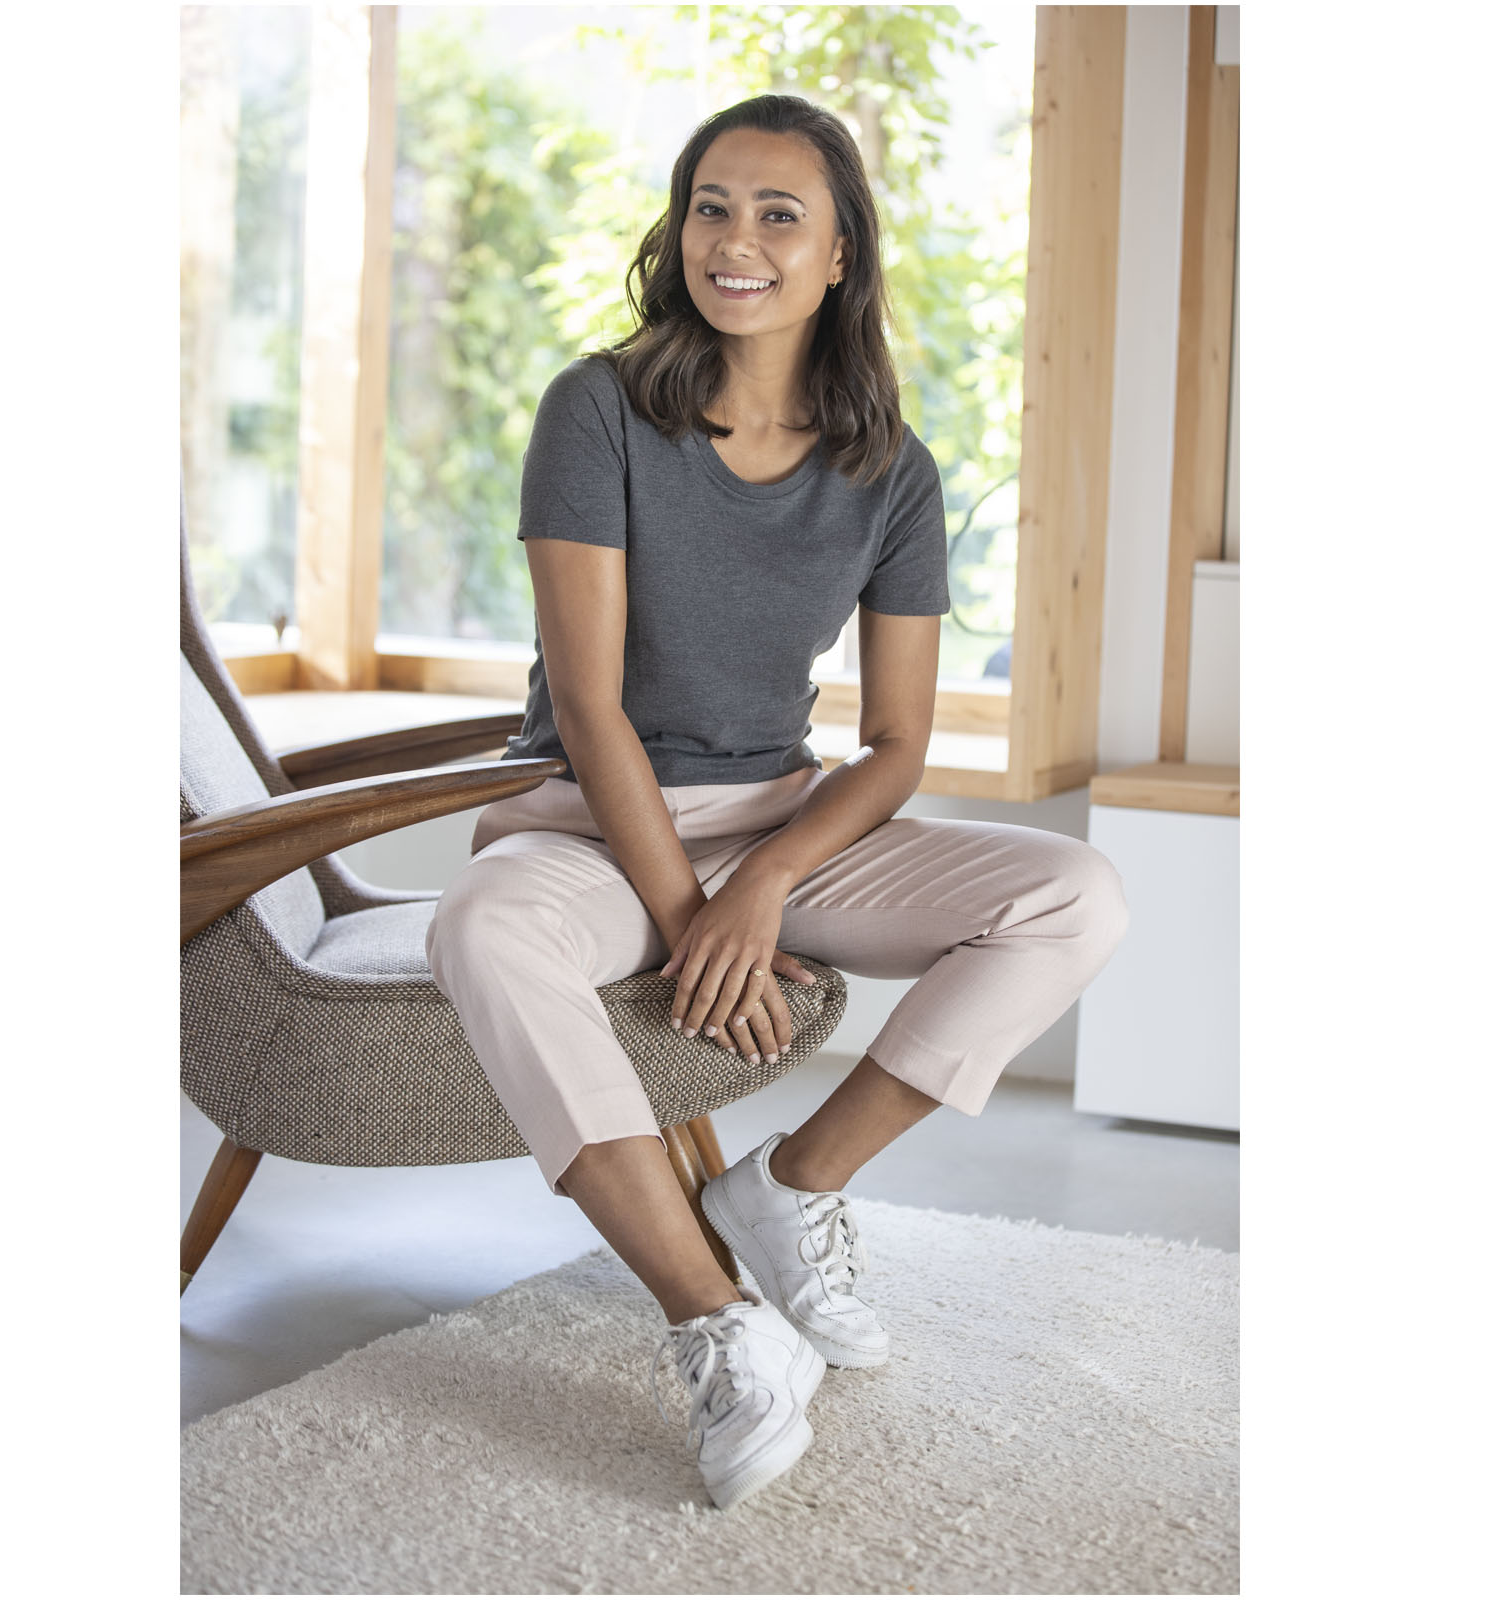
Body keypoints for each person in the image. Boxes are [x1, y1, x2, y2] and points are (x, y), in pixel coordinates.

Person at [425, 92, 1130, 1511]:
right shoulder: (598, 411)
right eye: (711, 207)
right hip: (592, 823)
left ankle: (792, 1186)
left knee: (1074, 895)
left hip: (781, 824)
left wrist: (758, 886)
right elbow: (591, 705)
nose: (734, 241)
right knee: (482, 931)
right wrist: (690, 917)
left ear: (840, 253)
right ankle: (719, 1326)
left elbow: (897, 746)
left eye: (777, 215)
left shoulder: (893, 472)